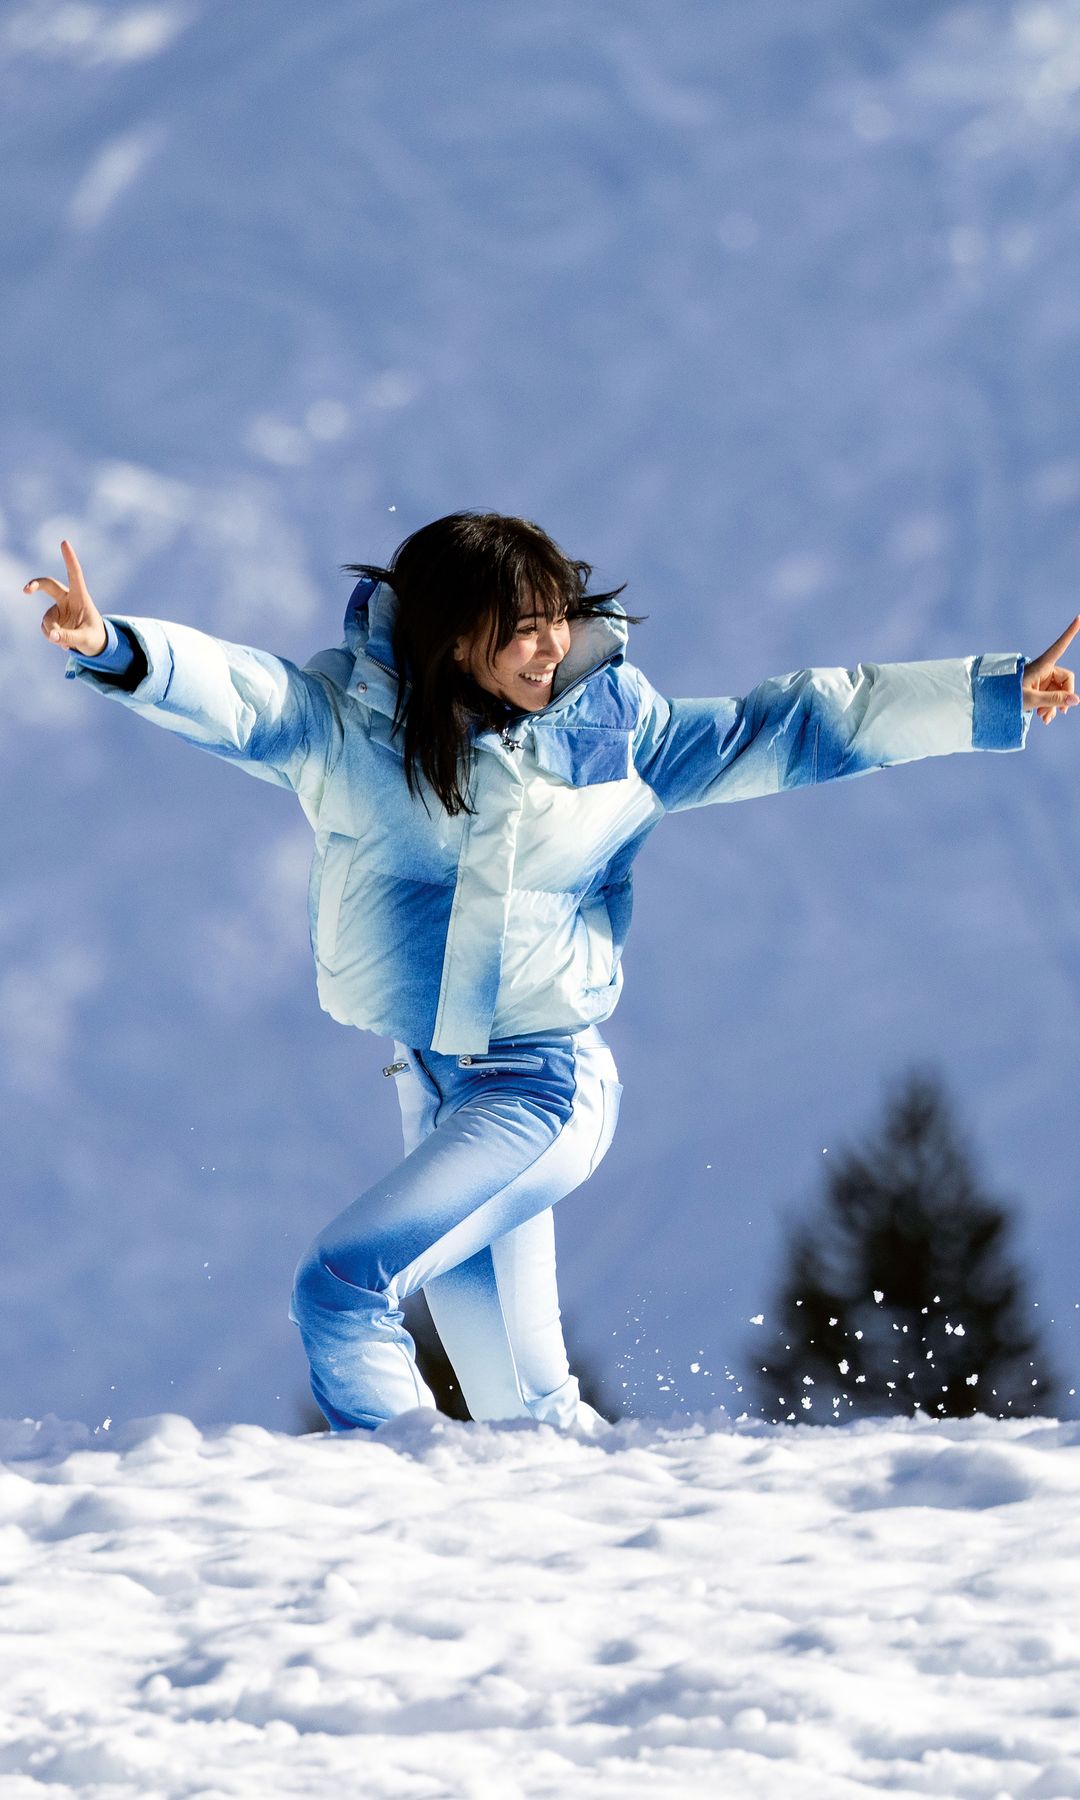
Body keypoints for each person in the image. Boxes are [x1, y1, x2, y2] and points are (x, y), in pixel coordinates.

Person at [22, 515, 1079, 1435]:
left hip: (541, 1086)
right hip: (434, 1085)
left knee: (342, 1291)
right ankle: (613, 1575)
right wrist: (114, 646)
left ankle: (391, 1527)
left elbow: (794, 720)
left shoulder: (621, 739)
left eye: (555, 617)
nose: (546, 644)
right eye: (518, 625)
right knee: (524, 1419)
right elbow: (243, 696)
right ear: (450, 637)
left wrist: (989, 696)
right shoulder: (351, 728)